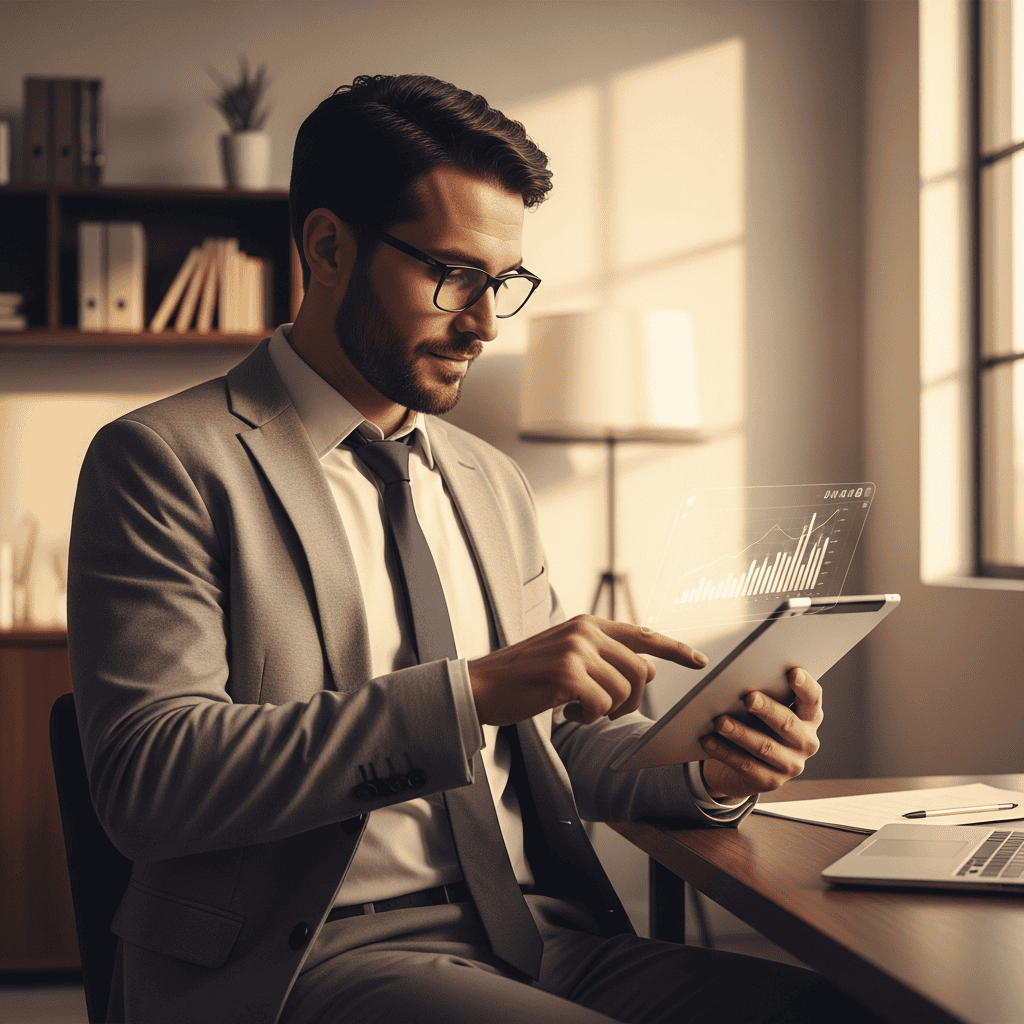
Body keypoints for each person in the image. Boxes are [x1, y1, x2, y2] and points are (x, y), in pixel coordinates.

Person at [68, 74, 876, 1024]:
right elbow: (148, 782)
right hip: (304, 965)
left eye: (505, 285)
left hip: (540, 937)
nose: (487, 324)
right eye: (453, 276)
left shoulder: (490, 480)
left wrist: (711, 769)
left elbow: (559, 747)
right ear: (328, 247)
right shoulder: (161, 460)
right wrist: (475, 691)